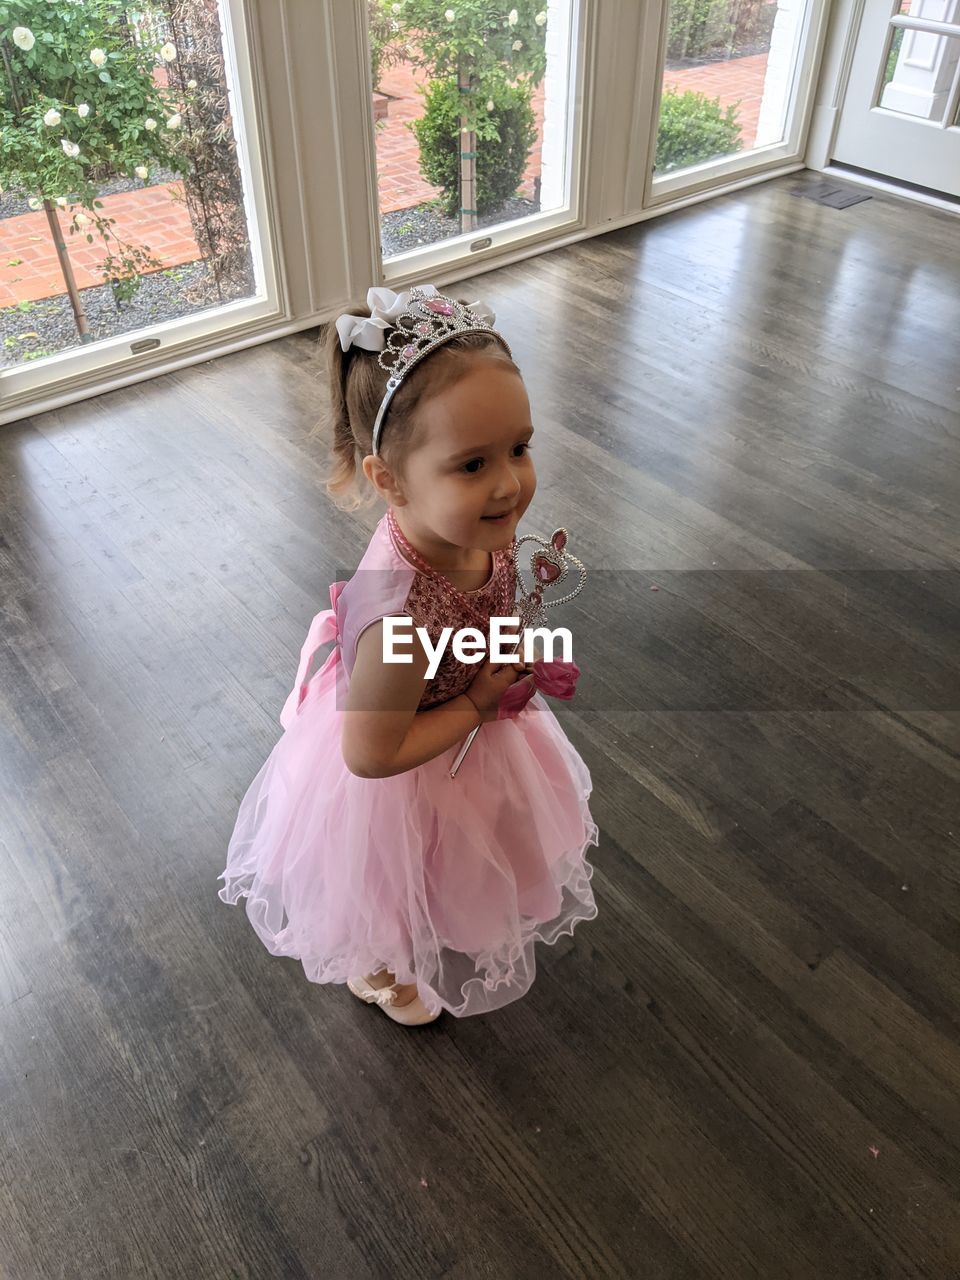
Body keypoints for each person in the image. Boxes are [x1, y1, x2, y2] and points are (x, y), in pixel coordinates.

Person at [219, 284, 598, 1026]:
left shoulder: (469, 529)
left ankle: (421, 932)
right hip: (404, 755)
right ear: (389, 481)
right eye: (472, 465)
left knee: (463, 861)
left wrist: (494, 649)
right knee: (392, 879)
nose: (510, 484)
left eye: (519, 449)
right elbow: (370, 756)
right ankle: (383, 966)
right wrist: (475, 702)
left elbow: (486, 593)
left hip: (459, 717)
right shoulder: (397, 620)